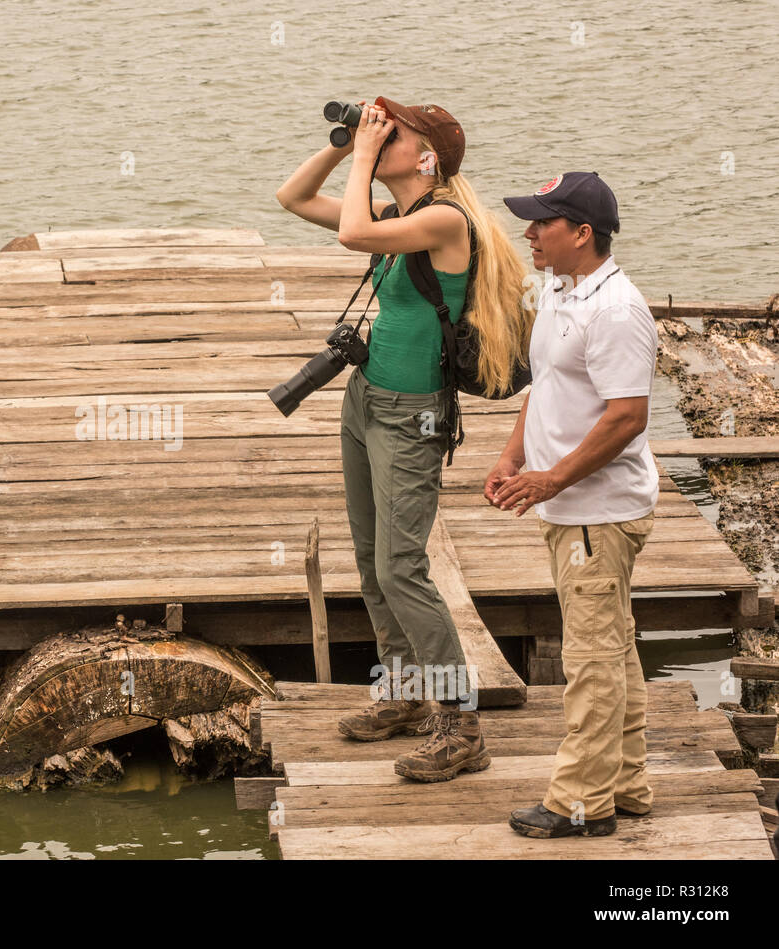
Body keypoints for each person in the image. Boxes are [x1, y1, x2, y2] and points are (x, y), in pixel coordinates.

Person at [277, 98, 532, 781]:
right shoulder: (397, 217)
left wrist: (362, 156)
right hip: (365, 401)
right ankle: (404, 693)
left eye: (397, 133)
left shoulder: (444, 219)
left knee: (402, 567)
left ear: (428, 157)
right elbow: (293, 197)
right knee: (369, 558)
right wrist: (341, 144)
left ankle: (461, 726)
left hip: (413, 414)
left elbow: (348, 234)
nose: (379, 137)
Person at [486, 171, 659, 837]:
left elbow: (627, 417)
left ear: (582, 233)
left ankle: (580, 803)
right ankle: (627, 783)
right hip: (573, 505)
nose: (528, 233)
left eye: (542, 223)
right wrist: (513, 455)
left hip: (599, 513)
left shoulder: (615, 310)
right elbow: (547, 386)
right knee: (613, 649)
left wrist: (552, 479)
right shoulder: (561, 289)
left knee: (588, 660)